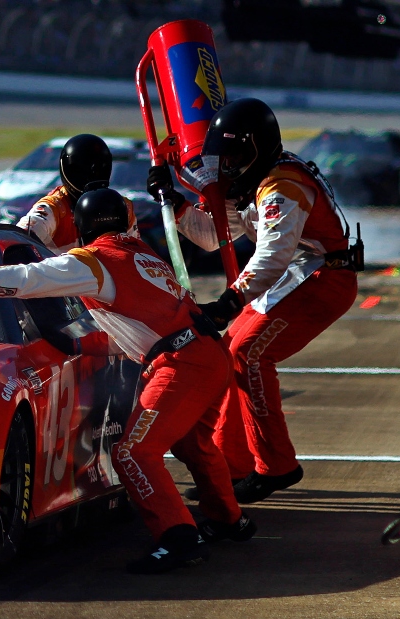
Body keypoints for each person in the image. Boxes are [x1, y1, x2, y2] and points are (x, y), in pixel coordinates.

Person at [0, 188, 255, 574]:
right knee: (193, 443)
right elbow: (136, 328)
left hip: (182, 362)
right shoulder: (142, 256)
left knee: (134, 453)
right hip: (204, 352)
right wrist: (80, 342)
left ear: (82, 225)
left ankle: (179, 538)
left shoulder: (94, 260)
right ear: (126, 220)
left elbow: (29, 279)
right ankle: (228, 519)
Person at [147, 98, 360, 504]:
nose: (228, 166)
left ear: (259, 149)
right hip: (299, 275)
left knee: (249, 352)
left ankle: (276, 466)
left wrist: (231, 299)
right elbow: (212, 236)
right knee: (231, 353)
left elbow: (272, 254)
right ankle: (234, 463)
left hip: (323, 278)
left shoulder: (282, 187)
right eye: (223, 158)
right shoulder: (256, 179)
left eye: (236, 156)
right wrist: (174, 204)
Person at [16, 134, 138, 254]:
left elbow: (135, 253)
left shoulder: (123, 207)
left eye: (99, 169)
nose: (92, 176)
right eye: (82, 170)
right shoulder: (54, 208)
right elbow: (18, 241)